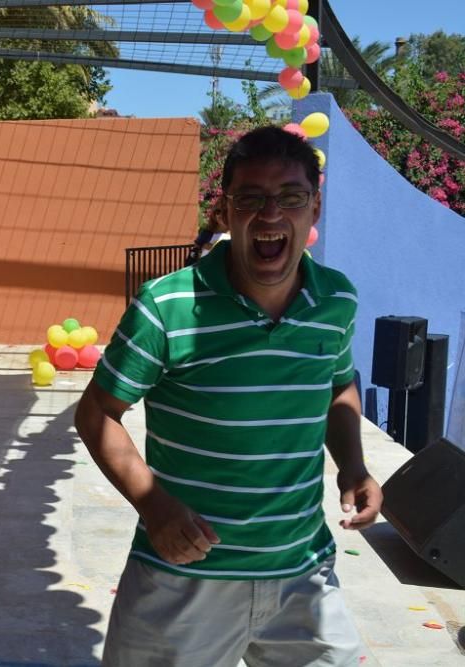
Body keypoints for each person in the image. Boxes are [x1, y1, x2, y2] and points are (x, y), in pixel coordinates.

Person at [74, 126, 382, 667]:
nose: (270, 215)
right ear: (226, 210)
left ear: (314, 207)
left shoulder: (337, 299)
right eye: (250, 199)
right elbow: (97, 412)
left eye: (290, 197)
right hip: (183, 582)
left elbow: (338, 384)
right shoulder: (166, 306)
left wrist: (353, 467)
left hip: (303, 576)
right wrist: (154, 505)